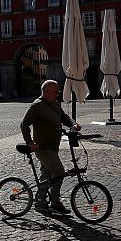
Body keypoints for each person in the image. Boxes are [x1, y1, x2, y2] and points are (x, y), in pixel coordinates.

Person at [20, 80, 81, 215]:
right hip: (42, 148)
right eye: (55, 92)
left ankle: (40, 203)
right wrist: (30, 142)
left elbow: (64, 118)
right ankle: (55, 203)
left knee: (46, 177)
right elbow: (24, 125)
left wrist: (73, 124)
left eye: (58, 91)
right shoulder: (36, 106)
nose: (58, 94)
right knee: (59, 172)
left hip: (53, 147)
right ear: (45, 92)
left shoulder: (55, 103)